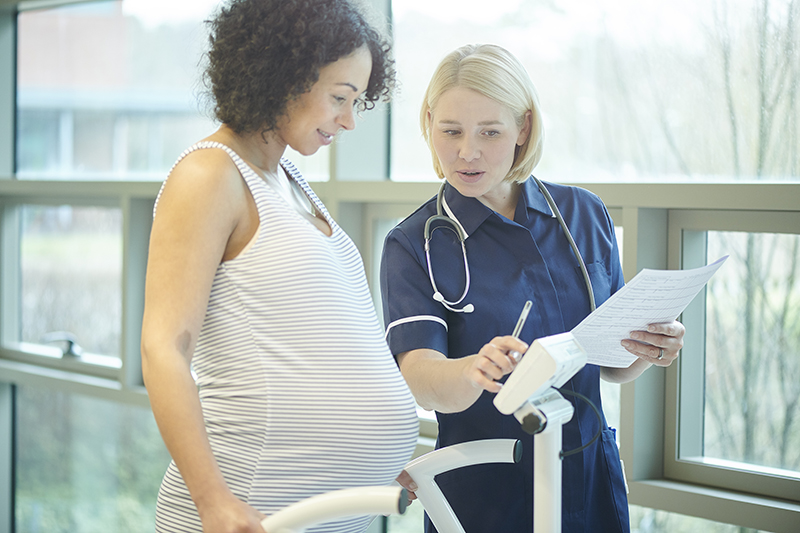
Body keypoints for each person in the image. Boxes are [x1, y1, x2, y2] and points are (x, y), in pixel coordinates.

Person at [380, 43, 685, 533]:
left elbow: (612, 363)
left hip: (588, 479)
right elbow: (420, 374)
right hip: (484, 495)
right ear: (429, 121)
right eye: (450, 130)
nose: (467, 152)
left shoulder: (583, 215)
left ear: (523, 128)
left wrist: (649, 347)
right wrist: (473, 371)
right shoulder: (413, 243)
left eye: (490, 132)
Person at [140, 2, 419, 532]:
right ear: (283, 75)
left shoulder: (289, 179)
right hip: (251, 505)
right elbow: (164, 349)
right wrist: (212, 501)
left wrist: (372, 448)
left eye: (357, 101)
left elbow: (311, 337)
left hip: (330, 509)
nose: (349, 120)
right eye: (339, 98)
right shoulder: (209, 175)